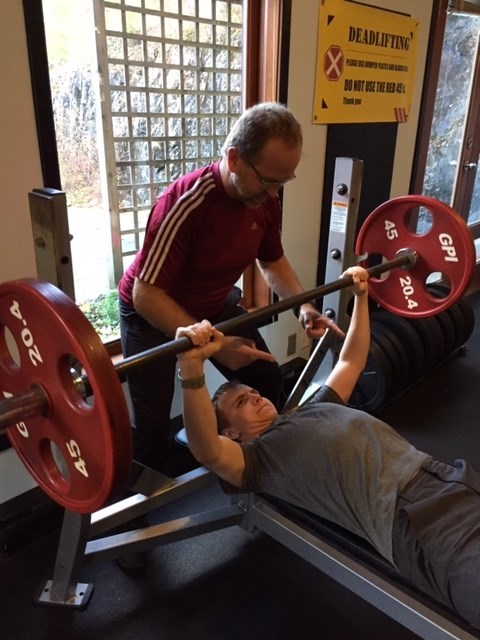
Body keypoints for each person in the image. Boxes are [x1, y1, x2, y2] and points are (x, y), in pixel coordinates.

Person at [175, 265, 480, 630]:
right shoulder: (259, 459)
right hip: (408, 518)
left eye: (253, 392)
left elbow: (351, 359)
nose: (255, 397)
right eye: (241, 403)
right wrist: (190, 368)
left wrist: (362, 297)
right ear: (233, 435)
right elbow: (206, 450)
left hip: (448, 477)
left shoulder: (317, 404)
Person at [118, 101, 341, 474]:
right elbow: (146, 294)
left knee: (267, 376)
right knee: (153, 423)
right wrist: (217, 349)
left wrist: (303, 307)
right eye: (268, 181)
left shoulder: (264, 200)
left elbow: (272, 261)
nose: (273, 193)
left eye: (282, 182)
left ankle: (265, 469)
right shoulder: (186, 204)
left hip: (213, 304)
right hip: (150, 315)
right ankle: (144, 513)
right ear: (234, 158)